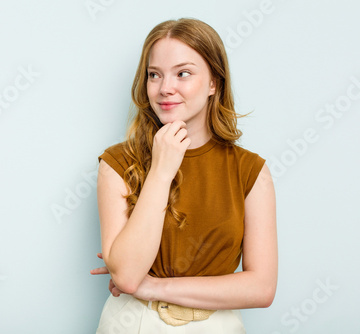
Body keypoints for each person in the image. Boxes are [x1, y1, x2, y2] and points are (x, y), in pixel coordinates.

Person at [91, 17, 277, 333]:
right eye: (154, 75)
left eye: (183, 73)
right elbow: (126, 276)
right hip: (130, 323)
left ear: (214, 83)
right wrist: (162, 171)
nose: (165, 88)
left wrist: (154, 288)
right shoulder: (117, 162)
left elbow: (261, 288)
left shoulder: (251, 171)